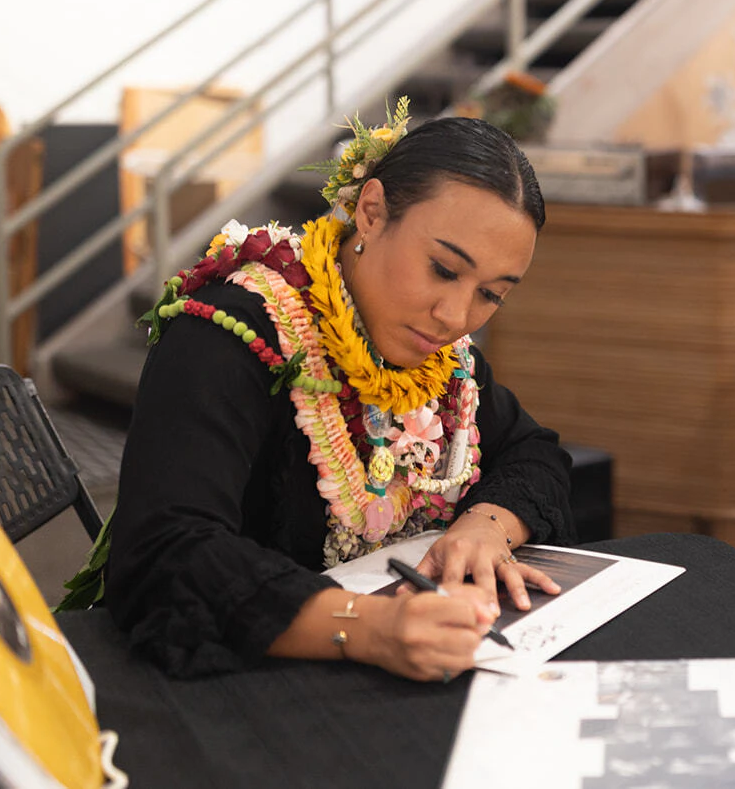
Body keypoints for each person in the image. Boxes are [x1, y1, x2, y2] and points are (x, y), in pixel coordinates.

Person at [103, 107, 575, 680]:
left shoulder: (442, 361)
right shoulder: (233, 335)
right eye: (443, 269)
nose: (456, 316)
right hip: (247, 681)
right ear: (371, 213)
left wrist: (485, 527)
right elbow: (167, 554)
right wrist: (371, 627)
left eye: (492, 294)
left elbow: (533, 452)